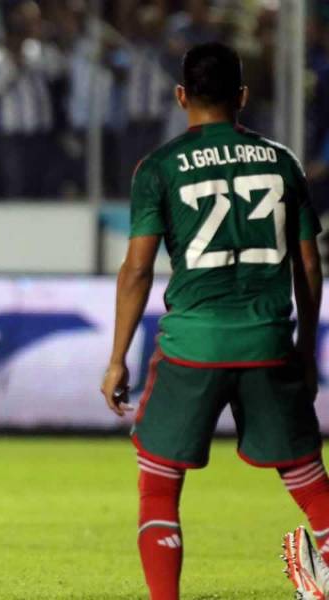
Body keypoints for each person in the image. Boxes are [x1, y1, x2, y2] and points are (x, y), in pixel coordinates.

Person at [100, 42, 327, 600]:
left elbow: (136, 270)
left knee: (159, 484)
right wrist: (303, 347)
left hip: (192, 347)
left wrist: (116, 358)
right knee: (308, 479)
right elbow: (309, 262)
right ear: (243, 97)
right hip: (268, 339)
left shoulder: (158, 167)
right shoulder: (281, 162)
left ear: (181, 96)